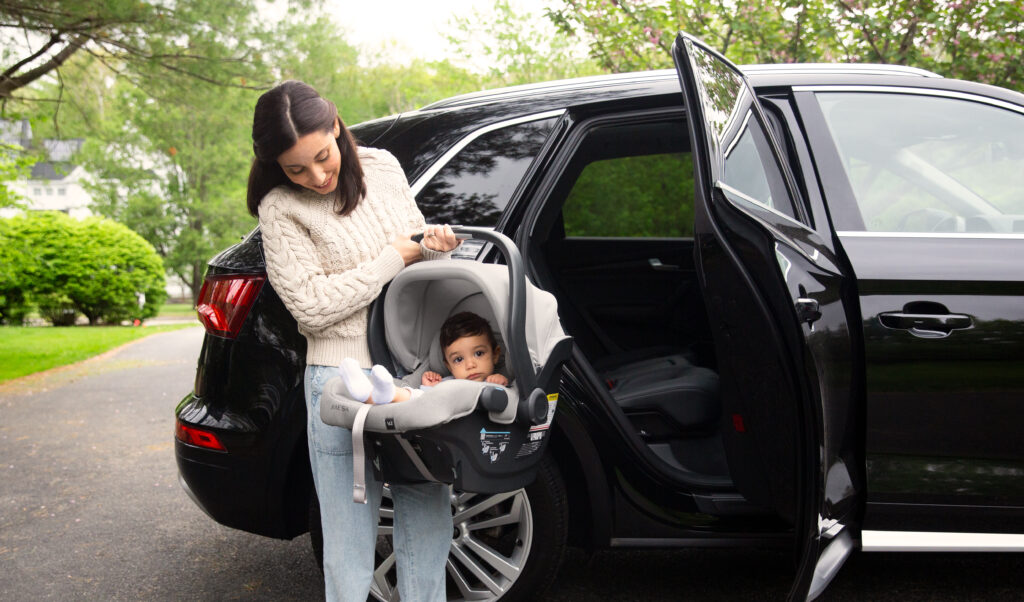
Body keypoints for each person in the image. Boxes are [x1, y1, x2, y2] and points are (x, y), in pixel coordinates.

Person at [247, 80, 459, 602]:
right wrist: (392, 258)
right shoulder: (279, 209)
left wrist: (438, 248)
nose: (317, 177)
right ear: (277, 166)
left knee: (429, 523)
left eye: (323, 157)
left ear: (337, 127)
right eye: (296, 168)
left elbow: (417, 266)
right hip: (339, 384)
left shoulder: (383, 167)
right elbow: (311, 307)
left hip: (409, 375)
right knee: (346, 544)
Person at [338, 311, 509, 405]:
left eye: (479, 353)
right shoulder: (447, 382)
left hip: (453, 412)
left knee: (417, 398)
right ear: (448, 366)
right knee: (418, 395)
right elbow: (426, 399)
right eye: (458, 360)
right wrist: (429, 387)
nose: (470, 365)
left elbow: (507, 400)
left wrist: (500, 384)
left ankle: (385, 394)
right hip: (431, 404)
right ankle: (369, 394)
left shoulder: (495, 382)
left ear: (495, 354)